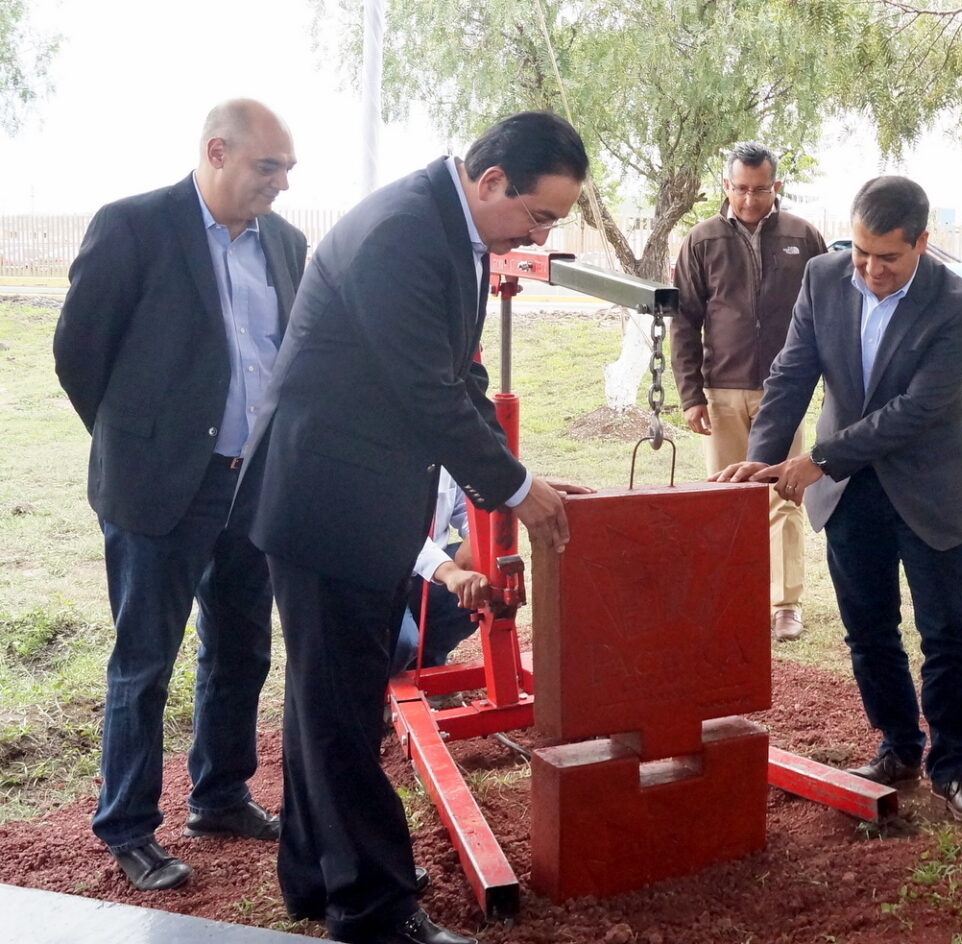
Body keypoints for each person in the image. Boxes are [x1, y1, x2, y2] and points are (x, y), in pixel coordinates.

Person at [244, 112, 590, 944]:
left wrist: (522, 474)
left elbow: (458, 371)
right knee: (341, 712)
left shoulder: (448, 227)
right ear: (491, 180)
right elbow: (423, 392)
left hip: (355, 499)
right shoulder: (403, 233)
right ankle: (372, 909)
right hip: (327, 502)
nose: (537, 234)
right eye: (538, 218)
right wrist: (513, 489)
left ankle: (319, 875)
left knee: (328, 702)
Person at [52, 99, 304, 892]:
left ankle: (220, 794)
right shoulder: (133, 226)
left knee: (242, 650)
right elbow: (78, 353)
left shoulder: (288, 245)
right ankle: (126, 825)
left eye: (289, 171)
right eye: (269, 168)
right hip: (159, 488)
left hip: (250, 483)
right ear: (217, 151)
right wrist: (140, 444)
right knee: (144, 660)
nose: (281, 185)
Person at [713, 176, 962, 824]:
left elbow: (918, 410)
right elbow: (791, 372)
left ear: (923, 244)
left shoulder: (959, 306)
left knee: (946, 634)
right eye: (862, 252)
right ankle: (899, 748)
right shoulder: (822, 277)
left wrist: (818, 459)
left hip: (924, 490)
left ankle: (953, 769)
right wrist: (764, 455)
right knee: (869, 632)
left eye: (888, 257)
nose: (869, 269)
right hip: (848, 494)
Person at [670, 142, 827, 642]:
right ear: (726, 186)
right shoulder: (701, 240)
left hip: (786, 393)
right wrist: (691, 393)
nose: (750, 200)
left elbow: (829, 312)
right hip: (720, 391)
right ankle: (729, 595)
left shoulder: (803, 237)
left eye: (760, 190)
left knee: (783, 495)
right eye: (740, 189)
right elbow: (684, 321)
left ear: (775, 187)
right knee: (724, 498)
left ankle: (786, 605)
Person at [390, 470, 487, 676]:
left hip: (428, 574)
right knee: (402, 645)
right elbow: (397, 532)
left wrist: (474, 537)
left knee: (481, 583)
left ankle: (427, 667)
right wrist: (448, 571)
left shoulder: (443, 454)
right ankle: (379, 687)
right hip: (383, 577)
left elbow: (465, 506)